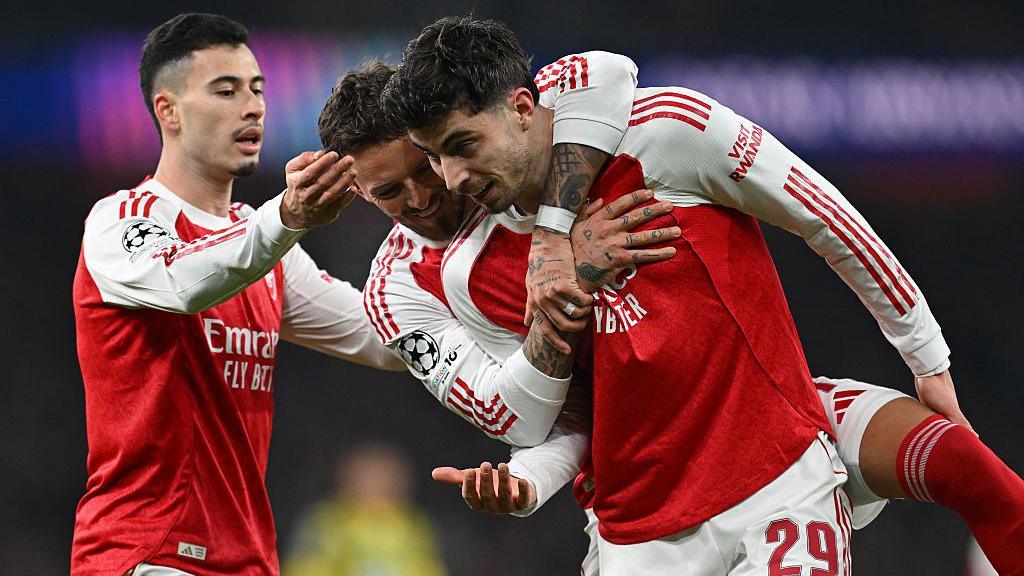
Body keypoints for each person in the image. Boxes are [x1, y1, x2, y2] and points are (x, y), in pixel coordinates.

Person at [325, 54, 1024, 575]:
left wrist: (554, 230)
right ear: (358, 190)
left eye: (432, 164)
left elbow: (608, 72)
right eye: (392, 191)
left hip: (771, 423)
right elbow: (541, 419)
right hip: (639, 488)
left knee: (964, 461)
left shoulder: (594, 136)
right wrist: (570, 289)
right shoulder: (428, 285)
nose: (428, 194)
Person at [71, 13, 405, 576]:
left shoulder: (266, 245)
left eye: (257, 90)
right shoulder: (120, 222)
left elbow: (387, 340)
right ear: (169, 111)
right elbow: (182, 284)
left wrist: (449, 255)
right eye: (225, 91)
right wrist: (287, 217)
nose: (252, 108)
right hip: (149, 553)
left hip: (246, 559)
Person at [282, 443, 448, 576]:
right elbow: (307, 568)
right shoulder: (326, 522)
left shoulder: (414, 526)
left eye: (385, 477)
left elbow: (428, 568)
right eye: (370, 476)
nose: (378, 484)